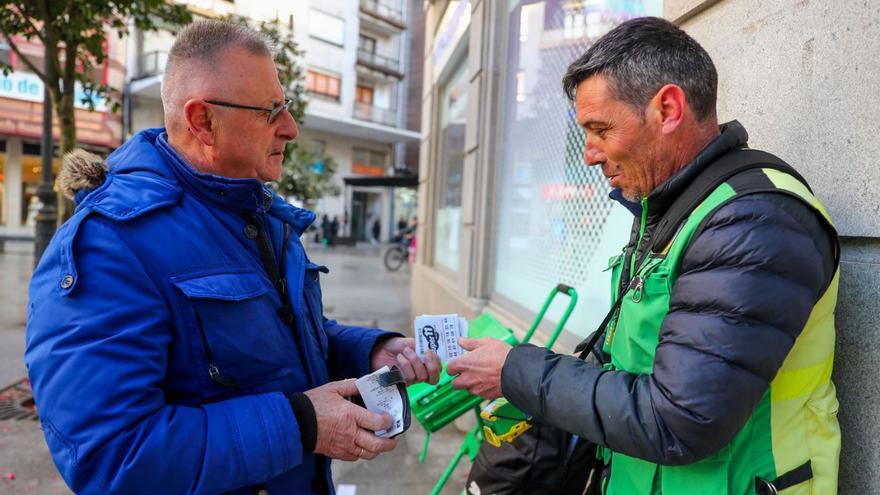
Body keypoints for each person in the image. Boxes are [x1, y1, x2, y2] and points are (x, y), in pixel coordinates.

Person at [26, 20, 440, 495]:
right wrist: (301, 425)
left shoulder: (260, 211)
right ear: (202, 121)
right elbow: (111, 456)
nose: (291, 127)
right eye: (271, 111)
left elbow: (275, 337)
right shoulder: (109, 244)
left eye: (287, 107)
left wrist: (365, 350)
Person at [448, 17, 840, 495]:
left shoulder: (755, 221)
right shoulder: (675, 204)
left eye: (600, 129)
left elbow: (680, 420)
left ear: (668, 109)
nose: (590, 154)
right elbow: (631, 365)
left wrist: (517, 371)